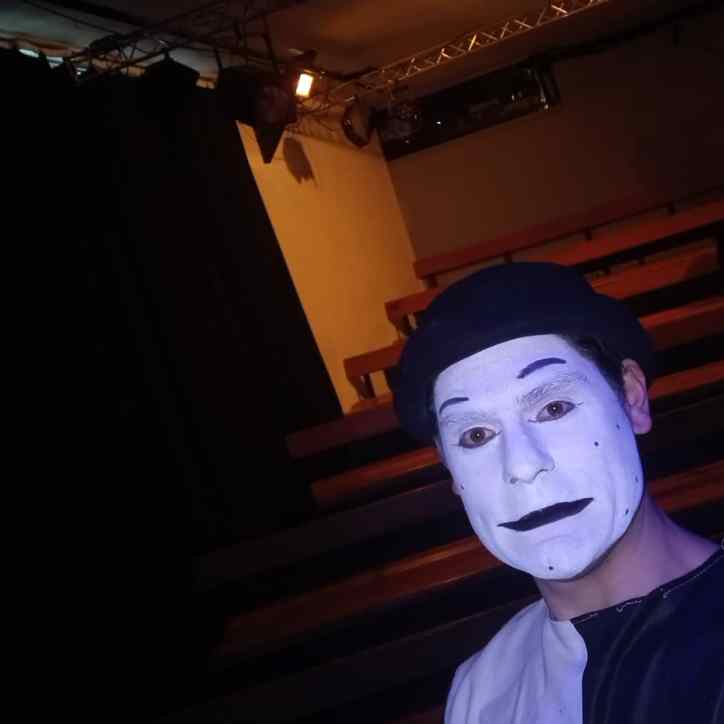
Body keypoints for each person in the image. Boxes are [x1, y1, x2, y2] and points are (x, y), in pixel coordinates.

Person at [392, 262, 722, 724]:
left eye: (554, 407)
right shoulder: (482, 691)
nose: (522, 466)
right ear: (449, 468)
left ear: (631, 398)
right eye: (475, 436)